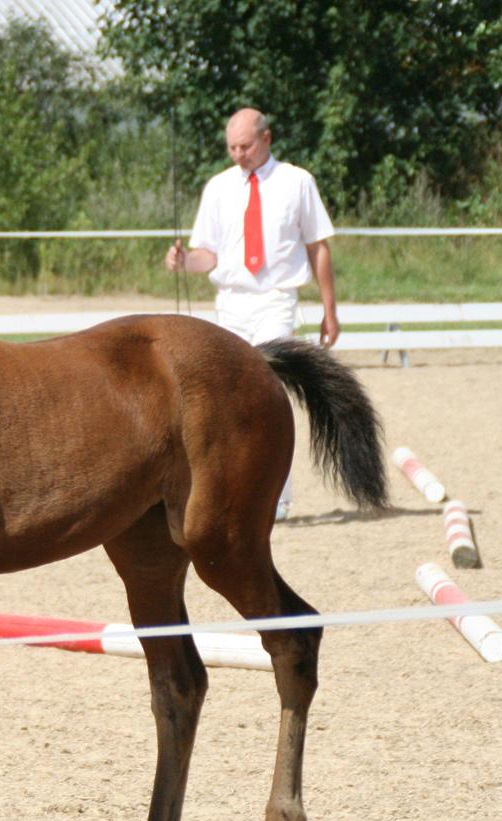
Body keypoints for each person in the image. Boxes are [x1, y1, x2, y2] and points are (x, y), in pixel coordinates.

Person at [165, 108, 340, 519]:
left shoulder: (298, 182)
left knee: (270, 391)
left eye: (244, 146)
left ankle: (276, 497)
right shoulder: (218, 187)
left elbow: (319, 246)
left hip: (276, 299)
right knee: (225, 401)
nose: (238, 154)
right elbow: (208, 255)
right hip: (231, 302)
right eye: (231, 148)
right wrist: (184, 260)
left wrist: (330, 310)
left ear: (267, 139)